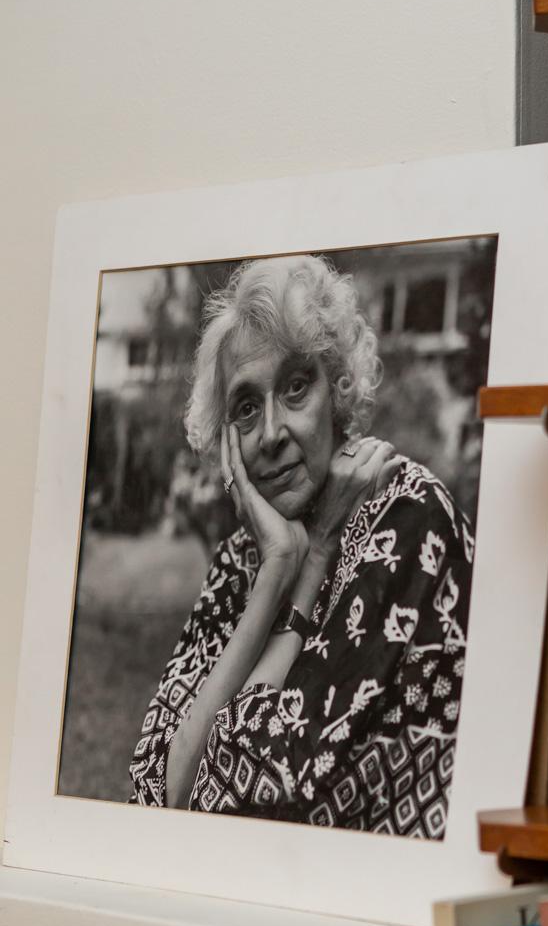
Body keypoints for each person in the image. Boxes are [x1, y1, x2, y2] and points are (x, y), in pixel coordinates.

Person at [130, 253, 474, 838]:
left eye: (295, 387)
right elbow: (152, 788)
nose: (270, 434)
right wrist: (283, 567)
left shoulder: (408, 520)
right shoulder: (245, 560)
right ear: (226, 443)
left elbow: (229, 804)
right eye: (245, 407)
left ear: (338, 392)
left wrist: (311, 561)